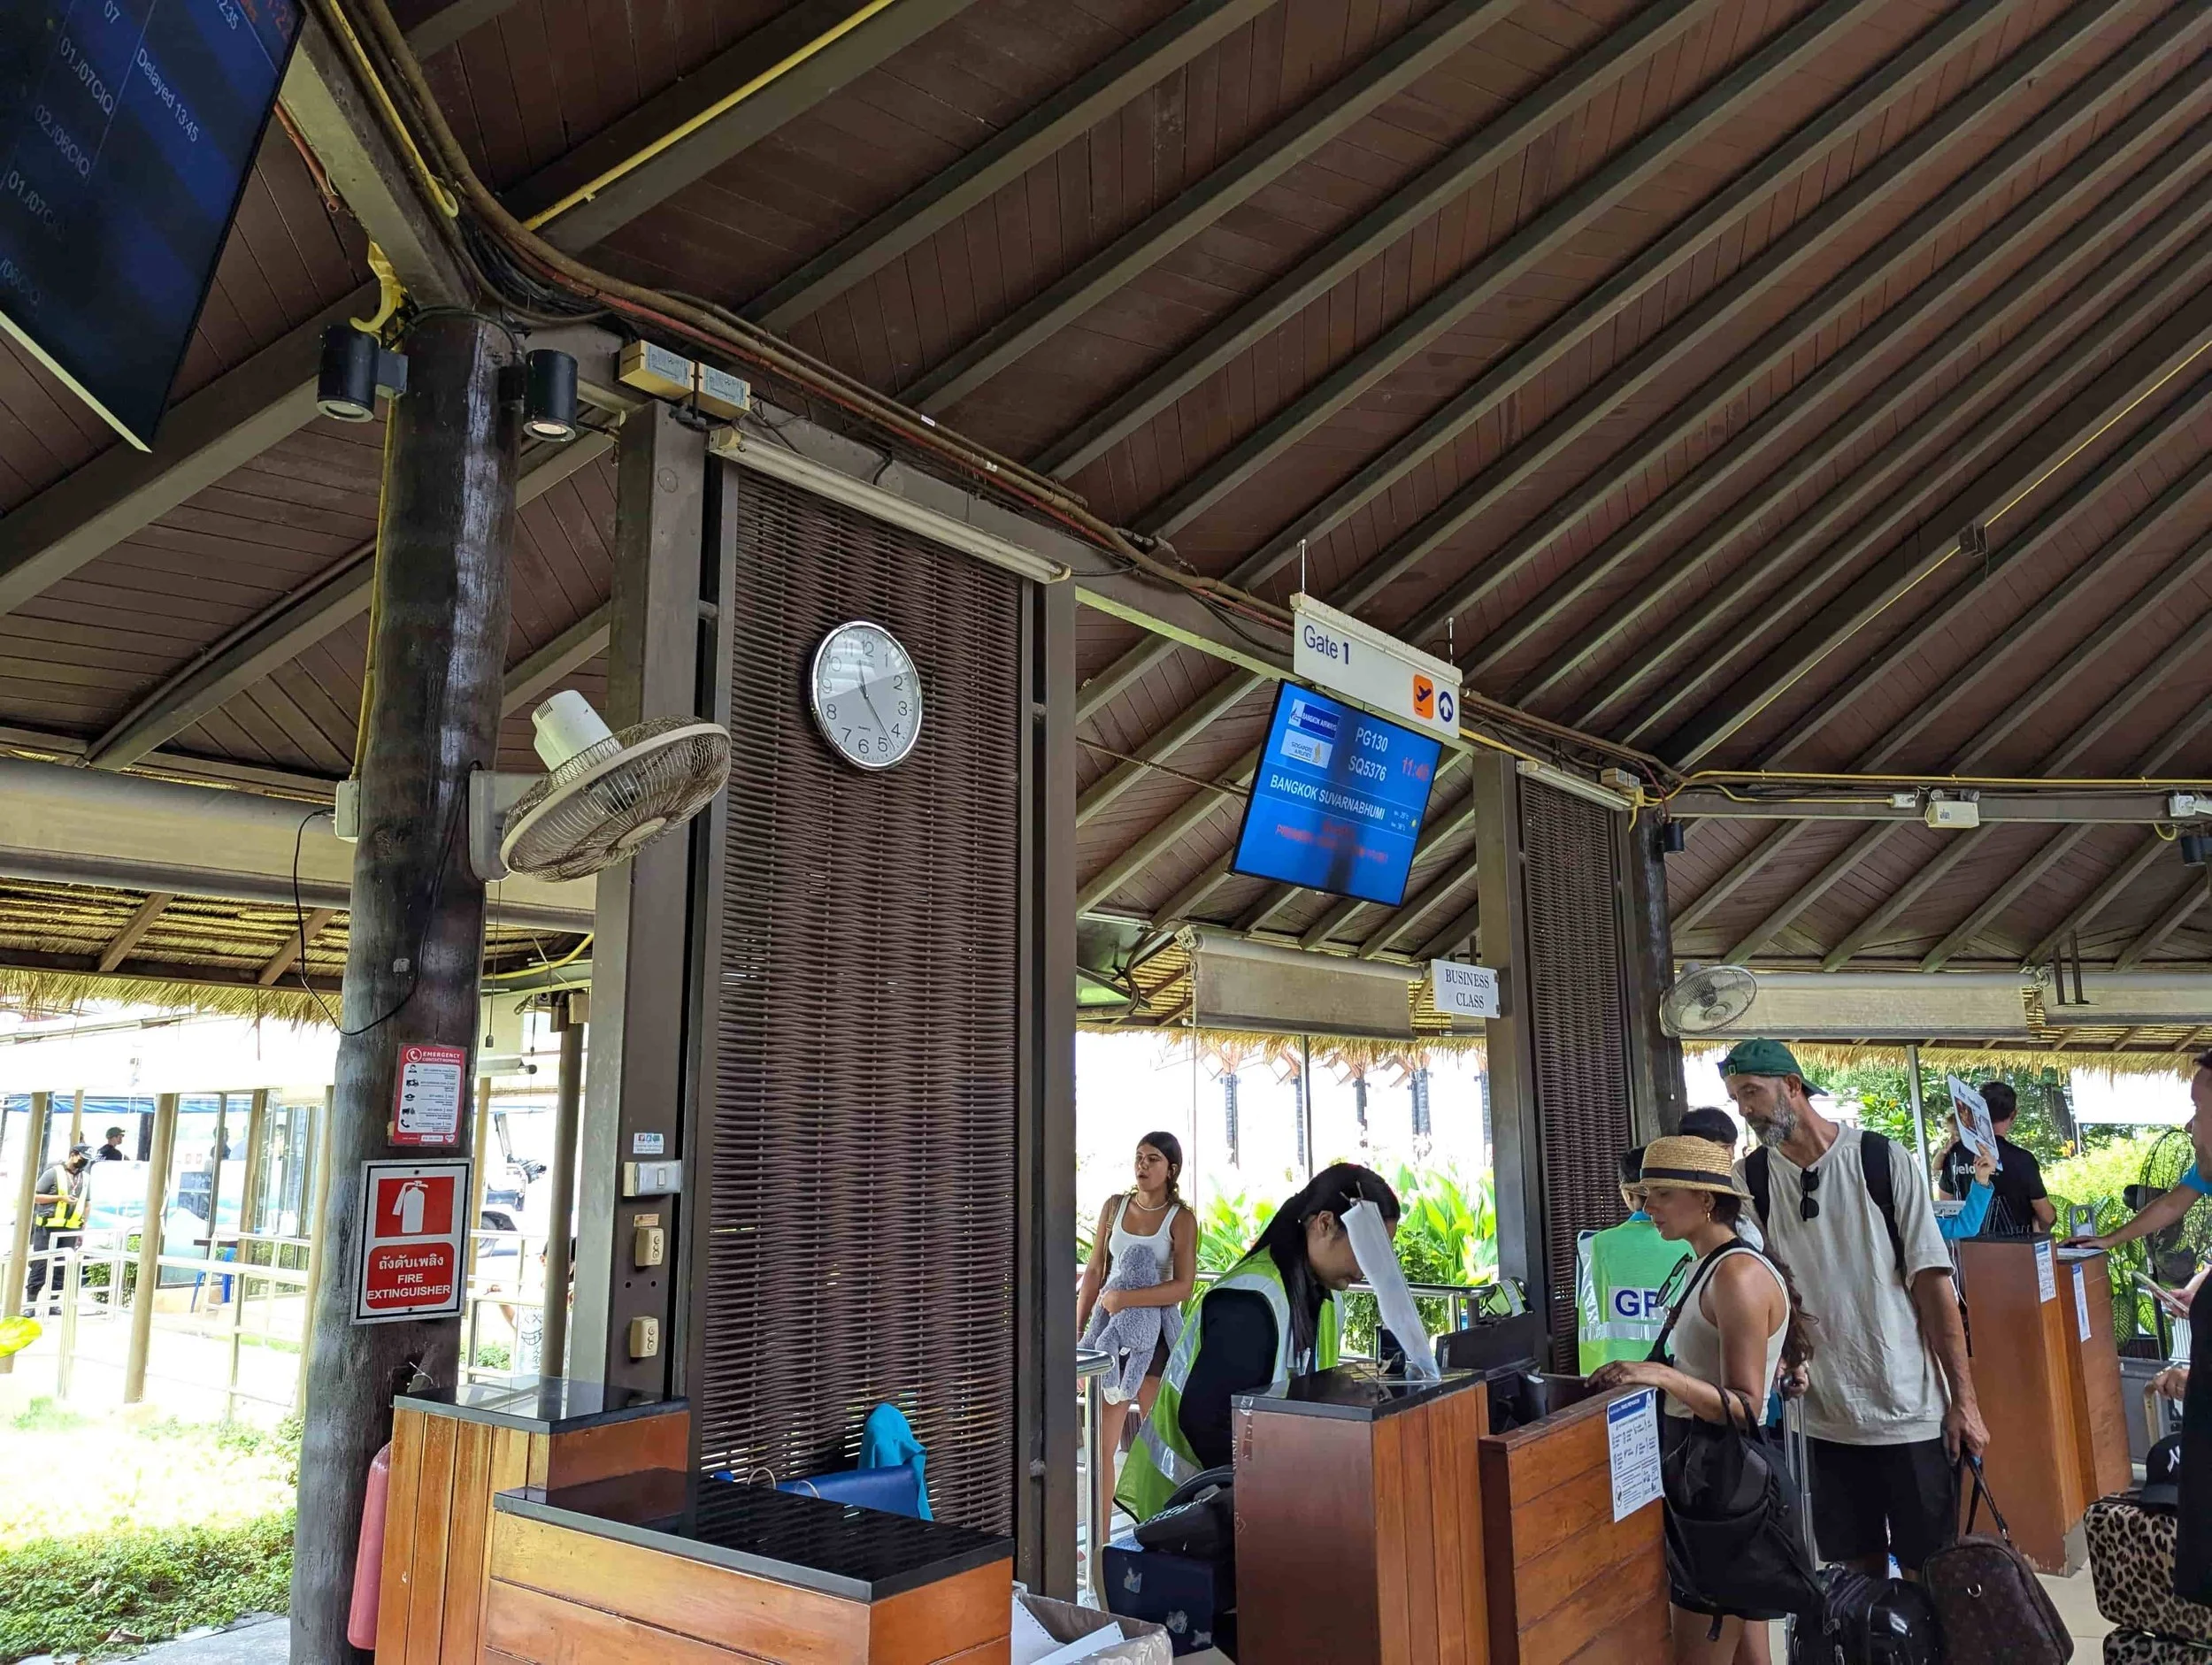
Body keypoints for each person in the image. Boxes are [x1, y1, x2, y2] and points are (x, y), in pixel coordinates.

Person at [1720, 1039, 1986, 1584]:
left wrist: (1966, 1402)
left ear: (1792, 1086)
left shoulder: (1880, 1159)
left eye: (1751, 1092)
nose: (1745, 1109)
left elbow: (1934, 1286)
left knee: (1929, 1576)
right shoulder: (1752, 1181)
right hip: (1822, 1418)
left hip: (1910, 1412)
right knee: (1854, 1583)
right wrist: (1783, 1357)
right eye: (1736, 1098)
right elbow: (1763, 1290)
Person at [1592, 1135, 1809, 1665]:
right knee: (1745, 1646)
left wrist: (1664, 1378)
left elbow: (1745, 1406)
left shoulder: (1736, 1275)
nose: (1648, 1206)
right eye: (1646, 1193)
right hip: (1705, 1477)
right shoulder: (1707, 1263)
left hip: (1718, 1483)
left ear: (1707, 1199)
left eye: (1663, 1194)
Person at [1118, 1162, 1400, 1521]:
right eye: (1366, 1248)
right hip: (1187, 1509)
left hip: (1239, 1503)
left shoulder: (1327, 1299)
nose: (1370, 1267)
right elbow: (1207, 1425)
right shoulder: (1250, 1300)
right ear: (1325, 1224)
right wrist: (1280, 1491)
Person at [1077, 1132, 1194, 1528]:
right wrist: (1080, 1336)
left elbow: (1184, 1286)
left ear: (1171, 1169)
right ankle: (1100, 1541)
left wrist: (1126, 1299)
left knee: (1158, 1445)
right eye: (1139, 1157)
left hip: (1156, 1337)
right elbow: (1095, 1270)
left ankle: (1162, 1532)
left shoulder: (1180, 1219)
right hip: (1110, 1333)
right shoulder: (1114, 1207)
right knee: (1100, 1447)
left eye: (1153, 1159)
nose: (1142, 1165)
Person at [1577, 1144, 1693, 1372]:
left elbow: (1588, 1319)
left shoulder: (1594, 1246)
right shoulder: (1689, 1243)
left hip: (1613, 1375)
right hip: (1676, 1375)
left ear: (1627, 1194)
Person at [1936, 1082, 2054, 1236]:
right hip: (2016, 1246)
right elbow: (2046, 1216)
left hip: (1965, 1245)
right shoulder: (2023, 1159)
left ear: (1978, 1110)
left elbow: (1945, 1203)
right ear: (2014, 1114)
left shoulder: (1955, 1153)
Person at [25, 1144, 91, 1316]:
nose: (84, 1162)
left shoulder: (85, 1178)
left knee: (61, 1268)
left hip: (70, 1230)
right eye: (82, 1158)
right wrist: (60, 1198)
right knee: (40, 1266)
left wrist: (83, 1228)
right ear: (73, 1154)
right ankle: (30, 1304)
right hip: (47, 1229)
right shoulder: (53, 1173)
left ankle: (53, 1304)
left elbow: (87, 1204)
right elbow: (35, 1197)